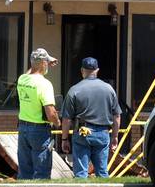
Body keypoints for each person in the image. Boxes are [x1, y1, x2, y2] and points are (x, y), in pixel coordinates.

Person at [59, 56, 122, 178]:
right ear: (97, 70)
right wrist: (115, 136)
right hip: (103, 133)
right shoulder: (109, 89)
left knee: (81, 173)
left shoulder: (74, 90)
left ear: (82, 70)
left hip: (82, 133)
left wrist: (64, 139)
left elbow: (66, 119)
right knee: (102, 172)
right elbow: (117, 116)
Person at [16, 48, 59, 178]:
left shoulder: (22, 79)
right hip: (39, 130)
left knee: (25, 169)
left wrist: (40, 63)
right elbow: (50, 112)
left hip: (23, 128)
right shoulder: (45, 84)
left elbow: (31, 71)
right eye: (46, 62)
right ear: (43, 63)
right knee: (42, 170)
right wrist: (57, 122)